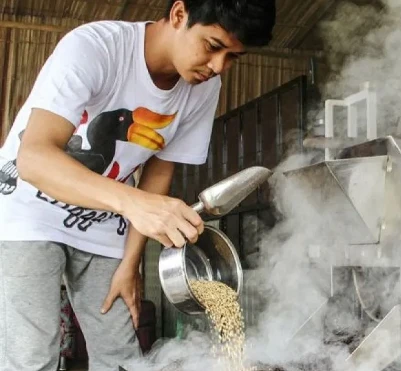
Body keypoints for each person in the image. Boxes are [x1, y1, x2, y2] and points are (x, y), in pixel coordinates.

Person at [0, 0, 275, 370]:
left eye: (232, 57)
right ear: (179, 15)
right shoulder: (95, 48)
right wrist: (134, 204)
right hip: (27, 211)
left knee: (121, 356)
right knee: (30, 355)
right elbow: (33, 158)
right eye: (213, 46)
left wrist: (130, 265)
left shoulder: (203, 89)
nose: (218, 67)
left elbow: (158, 174)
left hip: (102, 220)